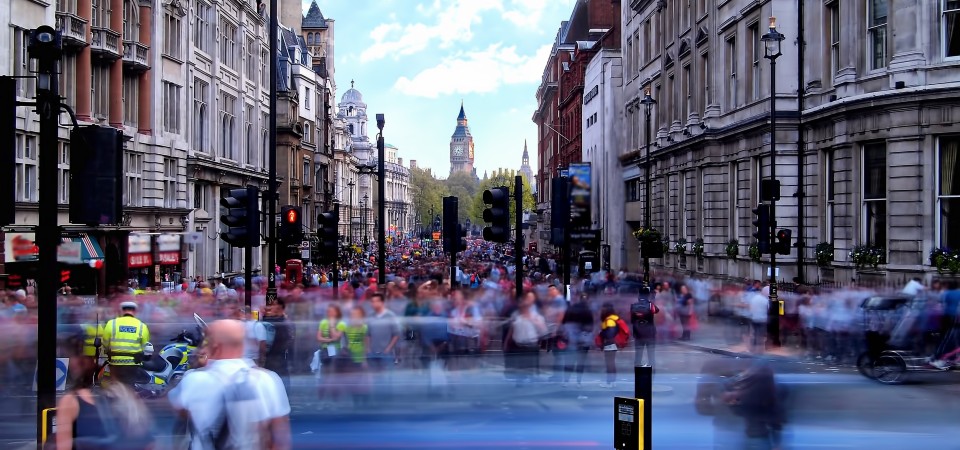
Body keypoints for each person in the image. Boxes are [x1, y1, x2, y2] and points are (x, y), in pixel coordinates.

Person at [169, 319, 291, 450]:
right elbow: (280, 439)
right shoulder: (267, 380)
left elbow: (180, 410)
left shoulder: (193, 380)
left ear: (215, 346)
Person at [101, 301, 150, 385]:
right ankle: (128, 397)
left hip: (115, 361)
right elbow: (144, 345)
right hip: (132, 363)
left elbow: (105, 343)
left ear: (122, 311)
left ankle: (117, 397)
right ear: (134, 311)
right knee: (129, 385)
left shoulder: (111, 323)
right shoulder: (142, 326)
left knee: (115, 385)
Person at [262, 300, 294, 390]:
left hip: (278, 355)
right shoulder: (271, 320)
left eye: (274, 305)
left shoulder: (284, 322)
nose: (271, 307)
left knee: (280, 378)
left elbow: (289, 339)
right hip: (272, 355)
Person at [631, 288, 661, 368]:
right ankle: (652, 372)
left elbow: (632, 320)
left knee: (638, 354)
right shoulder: (651, 305)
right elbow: (657, 310)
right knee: (651, 355)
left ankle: (637, 373)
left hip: (638, 333)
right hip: (650, 333)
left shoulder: (633, 306)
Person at [598, 303, 621, 388]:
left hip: (610, 344)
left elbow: (610, 333)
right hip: (611, 344)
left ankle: (610, 382)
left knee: (609, 364)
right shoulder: (611, 319)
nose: (602, 310)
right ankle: (612, 382)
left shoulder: (610, 321)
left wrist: (602, 333)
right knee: (610, 363)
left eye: (603, 309)